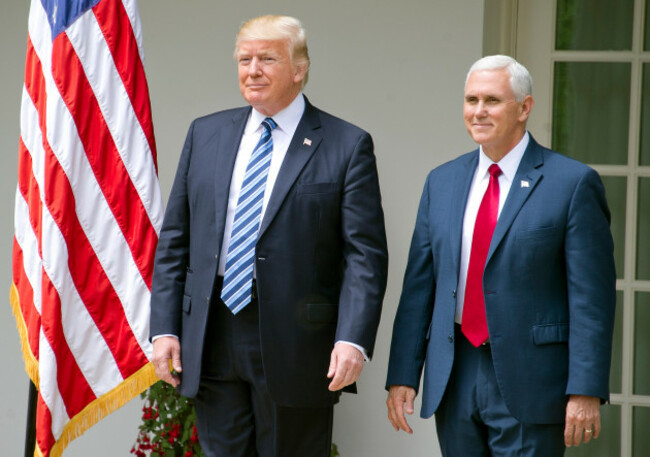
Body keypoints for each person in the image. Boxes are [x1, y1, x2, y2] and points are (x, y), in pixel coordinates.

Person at [149, 15, 388, 457]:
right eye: (244, 59)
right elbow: (176, 239)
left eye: (267, 58)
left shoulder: (346, 144)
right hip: (212, 330)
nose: (252, 69)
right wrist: (164, 326)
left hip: (297, 341)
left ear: (300, 68)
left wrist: (352, 338)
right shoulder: (206, 133)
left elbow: (364, 257)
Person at [385, 55, 616, 456]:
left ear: (524, 108)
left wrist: (585, 389)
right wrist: (403, 374)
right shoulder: (441, 181)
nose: (478, 111)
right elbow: (420, 288)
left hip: (533, 379)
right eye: (471, 99)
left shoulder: (572, 183)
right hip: (455, 373)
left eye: (491, 100)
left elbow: (591, 299)